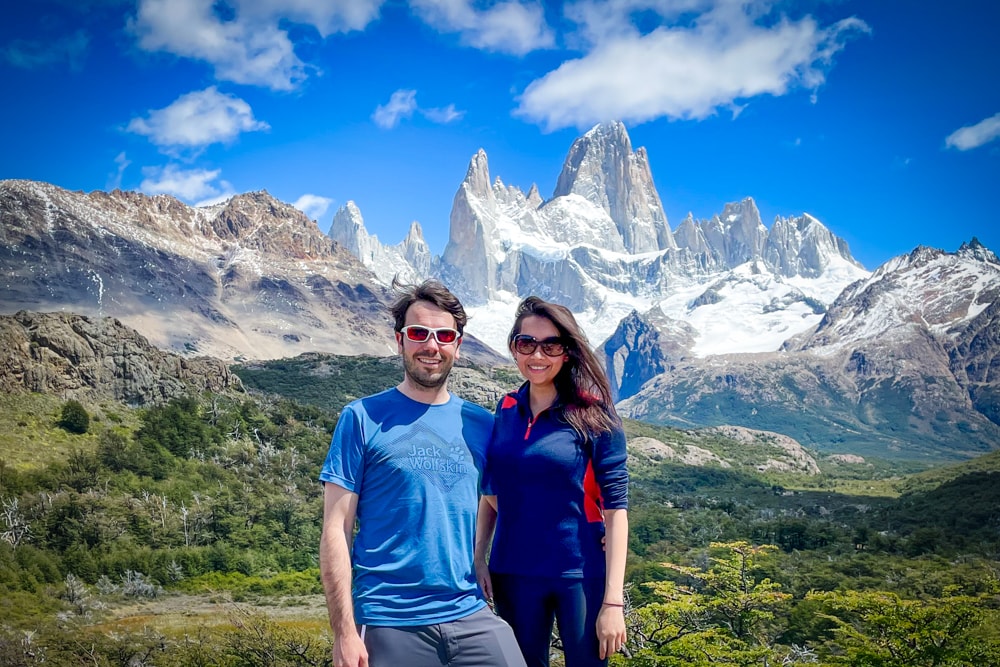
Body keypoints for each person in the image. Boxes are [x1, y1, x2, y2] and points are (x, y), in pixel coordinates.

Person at [318, 279, 527, 667]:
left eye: (444, 335)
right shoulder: (361, 418)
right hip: (387, 619)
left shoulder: (481, 423)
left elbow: (506, 502)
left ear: (457, 346)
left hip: (469, 611)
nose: (431, 346)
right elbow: (336, 529)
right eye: (418, 333)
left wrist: (592, 529)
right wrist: (344, 632)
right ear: (400, 341)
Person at [475, 296, 630, 667]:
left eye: (551, 345)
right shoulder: (506, 408)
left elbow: (616, 508)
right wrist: (479, 554)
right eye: (526, 343)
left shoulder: (594, 413)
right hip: (512, 569)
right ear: (514, 348)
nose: (537, 355)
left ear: (567, 352)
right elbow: (492, 490)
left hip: (579, 572)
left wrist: (613, 602)